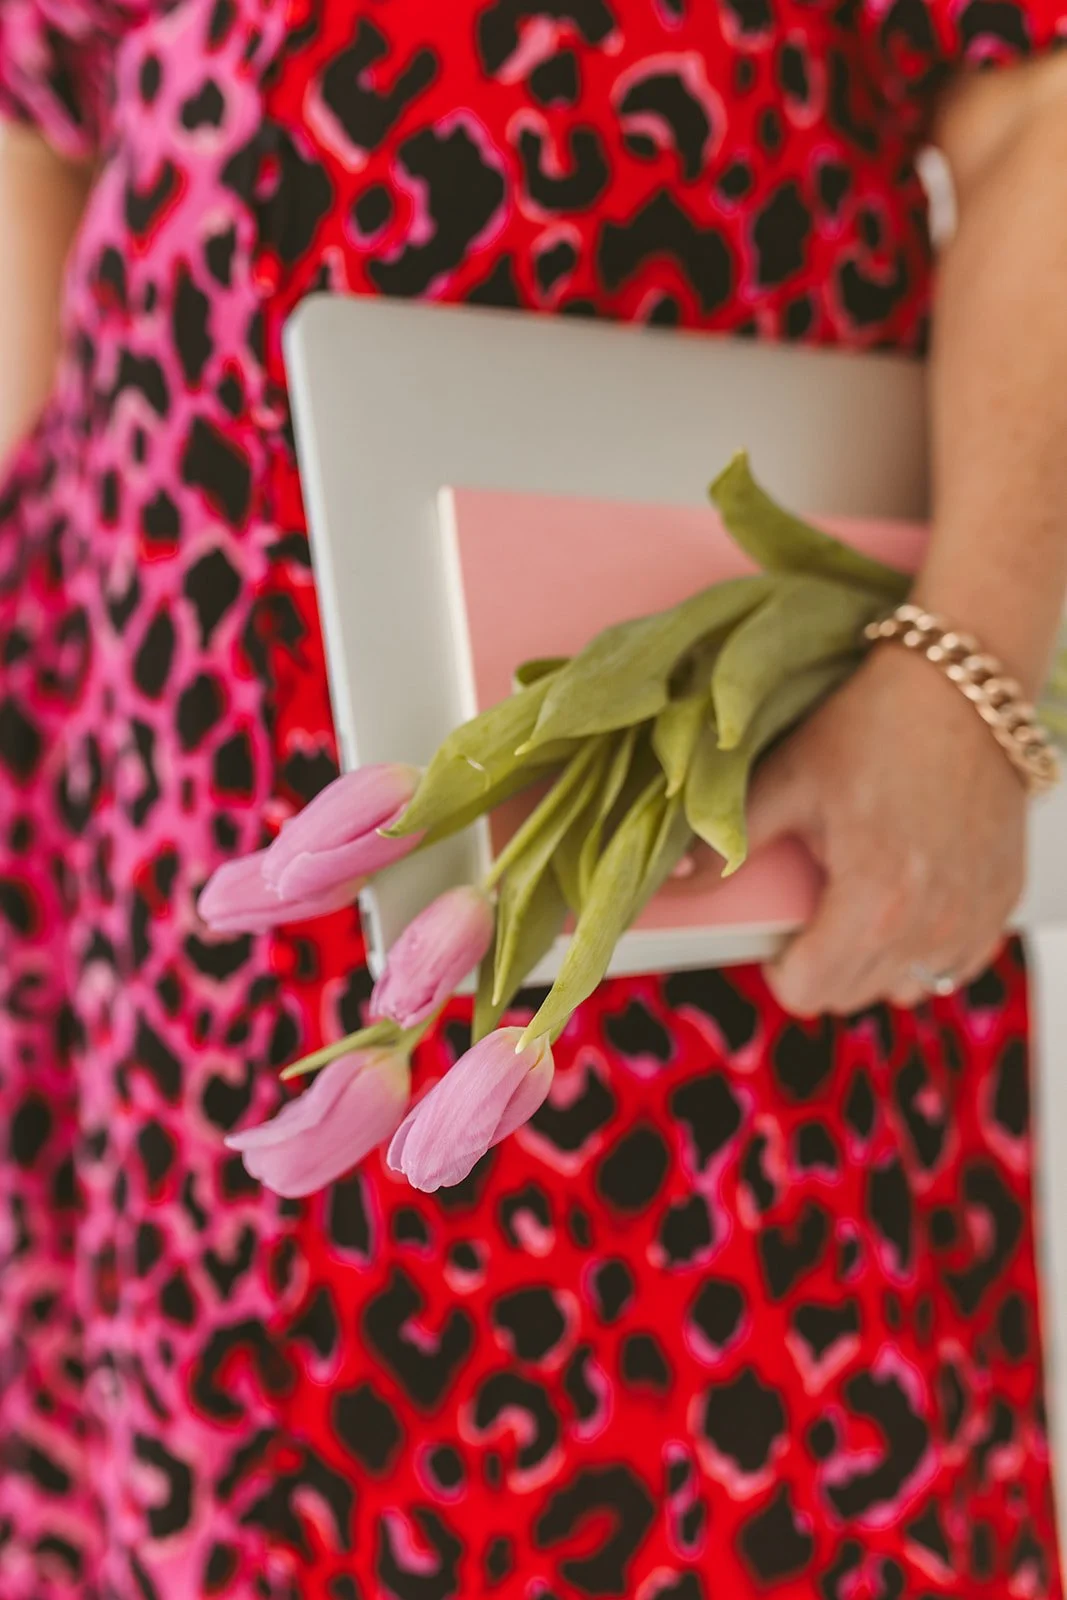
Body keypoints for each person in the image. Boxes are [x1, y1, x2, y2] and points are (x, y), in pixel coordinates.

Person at [1, 1, 1065, 1596]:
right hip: (172, 810)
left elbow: (1040, 105)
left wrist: (963, 677)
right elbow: (42, 144)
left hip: (723, 813)